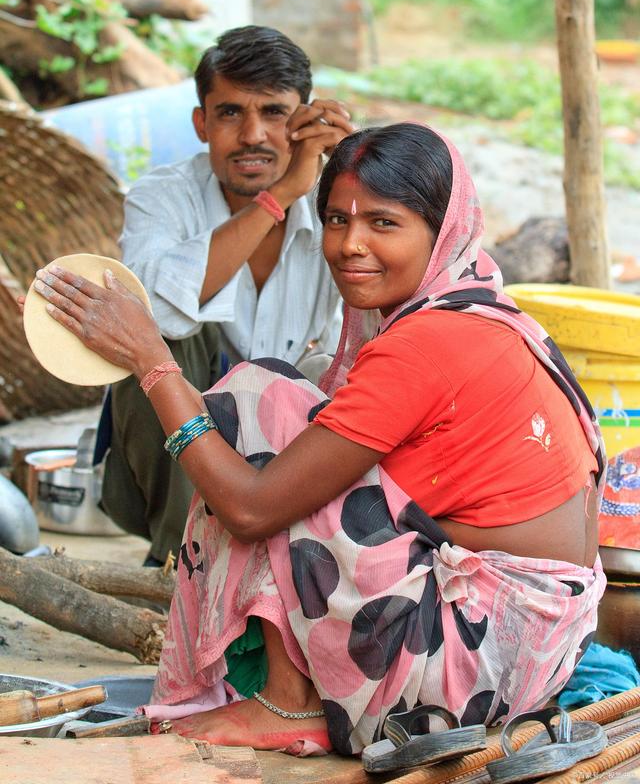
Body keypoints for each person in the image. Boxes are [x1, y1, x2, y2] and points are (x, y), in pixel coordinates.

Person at [33, 122, 606, 760]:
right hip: (534, 658)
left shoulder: (427, 343)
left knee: (253, 402)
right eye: (335, 220)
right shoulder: (481, 309)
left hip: (466, 669)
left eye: (383, 224)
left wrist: (151, 361)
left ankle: (290, 703)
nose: (350, 245)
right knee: (293, 415)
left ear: (440, 231)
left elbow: (252, 508)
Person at [100, 25, 353, 564]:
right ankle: (181, 562)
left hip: (292, 457)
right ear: (202, 123)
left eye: (276, 114)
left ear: (306, 121)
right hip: (180, 463)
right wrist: (280, 196)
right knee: (149, 342)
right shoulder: (160, 197)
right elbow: (156, 315)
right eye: (231, 113)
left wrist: (356, 171)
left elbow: (400, 314)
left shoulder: (336, 206)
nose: (254, 135)